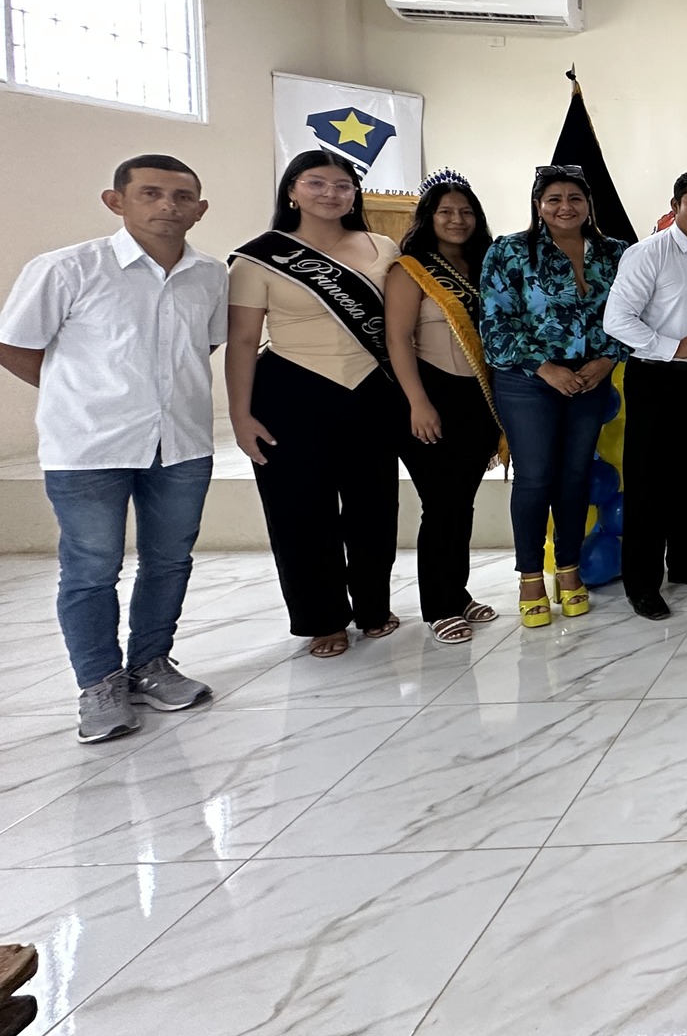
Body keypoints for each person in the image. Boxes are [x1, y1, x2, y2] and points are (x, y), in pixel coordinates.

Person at [0, 156, 226, 742]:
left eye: (182, 196)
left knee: (170, 559)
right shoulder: (66, 268)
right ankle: (98, 684)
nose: (168, 205)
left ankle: (150, 664)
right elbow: (15, 345)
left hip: (181, 443)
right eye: (151, 193)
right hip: (89, 446)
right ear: (116, 200)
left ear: (200, 209)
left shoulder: (210, 275)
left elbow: (202, 346)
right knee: (91, 568)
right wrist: (82, 395)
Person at [225, 151, 402, 658]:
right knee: (300, 511)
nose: (331, 193)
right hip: (291, 392)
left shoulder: (382, 246)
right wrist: (240, 414)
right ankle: (322, 618)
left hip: (371, 389)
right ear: (291, 190)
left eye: (343, 185)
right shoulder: (258, 258)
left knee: (374, 507)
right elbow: (242, 341)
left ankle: (373, 606)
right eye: (317, 183)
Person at [479, 164, 623, 629]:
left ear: (588, 204)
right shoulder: (509, 251)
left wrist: (608, 360)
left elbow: (631, 314)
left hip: (590, 379)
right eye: (554, 199)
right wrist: (546, 369)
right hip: (528, 380)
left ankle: (569, 569)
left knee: (574, 477)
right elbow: (495, 323)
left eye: (575, 198)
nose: (565, 207)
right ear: (538, 205)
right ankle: (529, 578)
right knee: (536, 477)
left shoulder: (614, 252)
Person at [603, 170, 687, 618]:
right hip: (656, 378)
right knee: (649, 483)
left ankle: (684, 562)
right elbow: (616, 320)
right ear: (676, 205)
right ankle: (642, 583)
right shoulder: (647, 253)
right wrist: (670, 346)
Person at [386, 172, 505, 645]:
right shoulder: (410, 269)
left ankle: (457, 591)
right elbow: (398, 339)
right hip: (429, 394)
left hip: (479, 398)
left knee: (461, 503)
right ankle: (438, 605)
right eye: (446, 212)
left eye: (466, 212)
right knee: (440, 505)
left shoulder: (486, 266)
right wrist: (417, 402)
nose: (457, 220)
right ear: (428, 218)